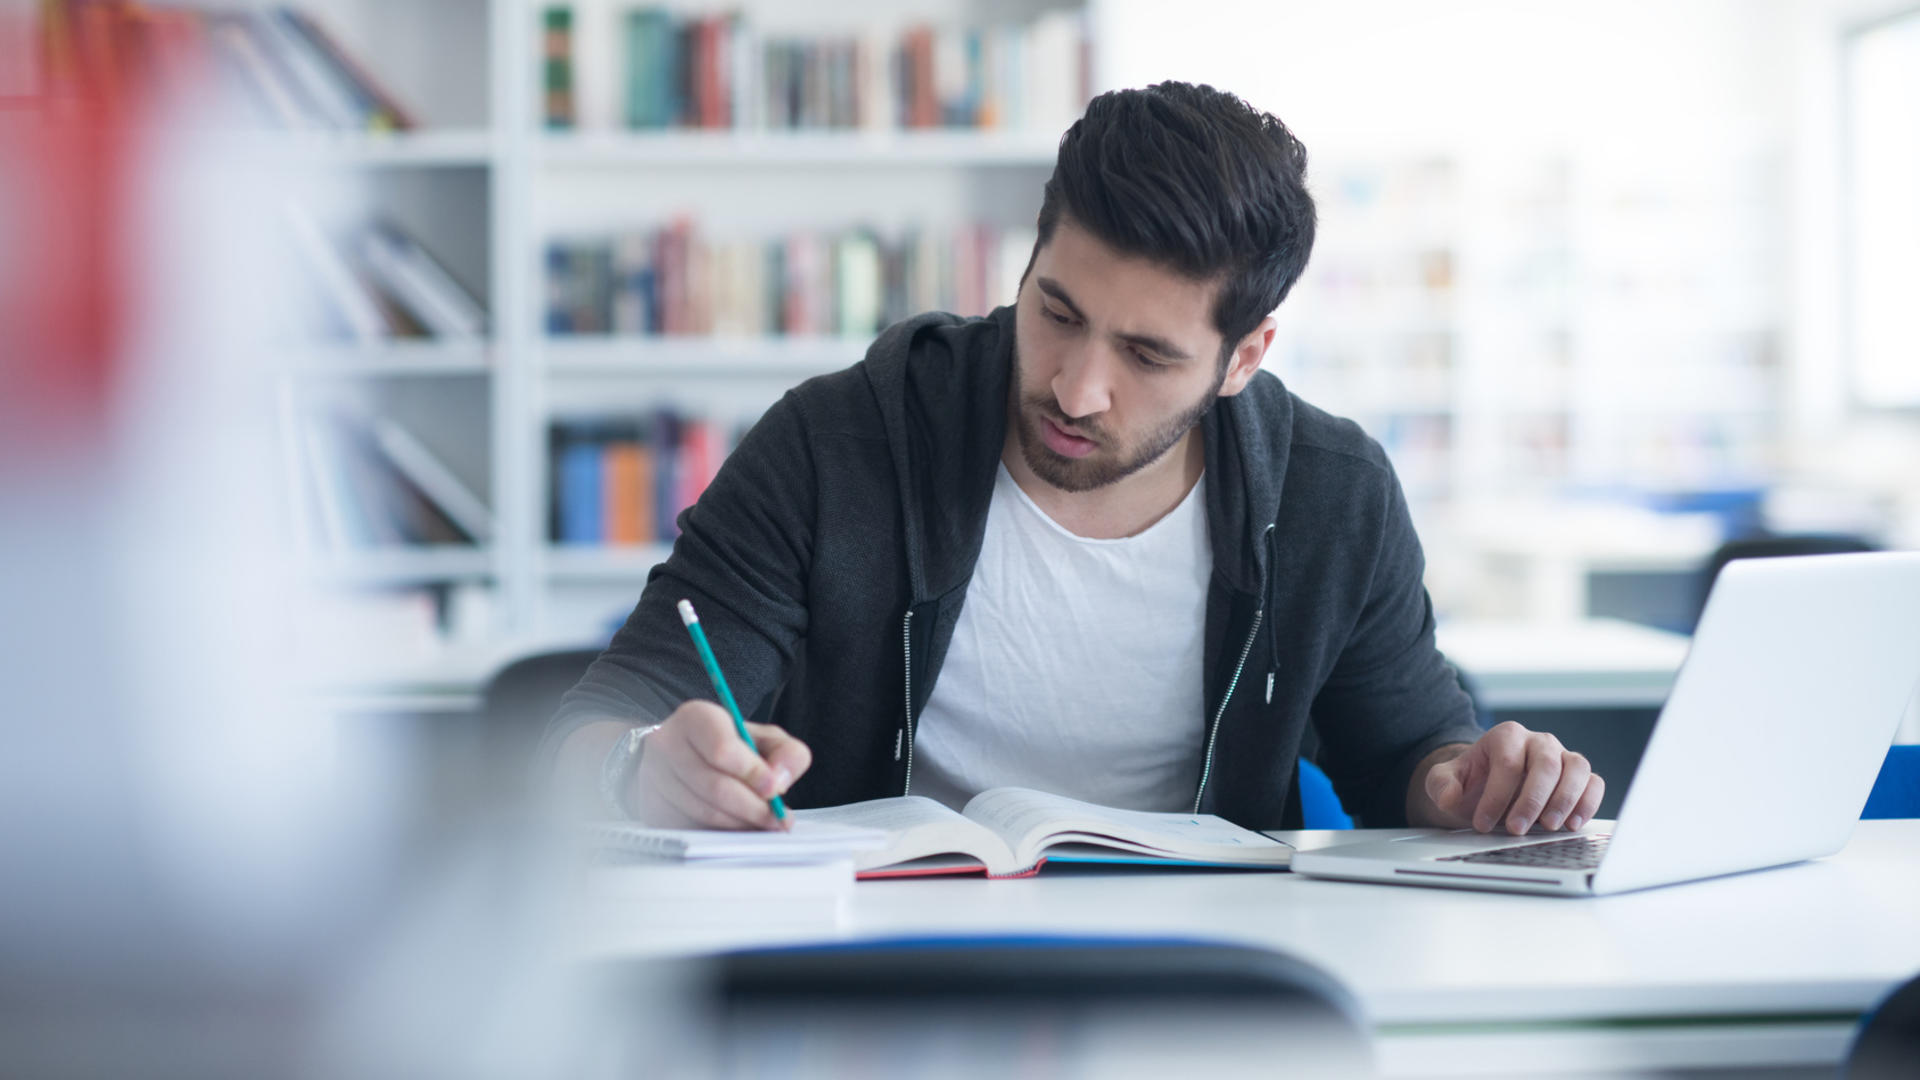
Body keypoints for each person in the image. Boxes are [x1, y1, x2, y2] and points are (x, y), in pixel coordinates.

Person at [543, 81, 1605, 838]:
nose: (1075, 386)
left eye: (1147, 354)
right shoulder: (838, 443)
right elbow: (596, 723)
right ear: (1031, 258)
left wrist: (1470, 784)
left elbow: (1409, 752)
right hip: (867, 968)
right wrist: (645, 768)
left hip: (1203, 982)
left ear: (1244, 357)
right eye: (1056, 312)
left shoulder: (1333, 493)